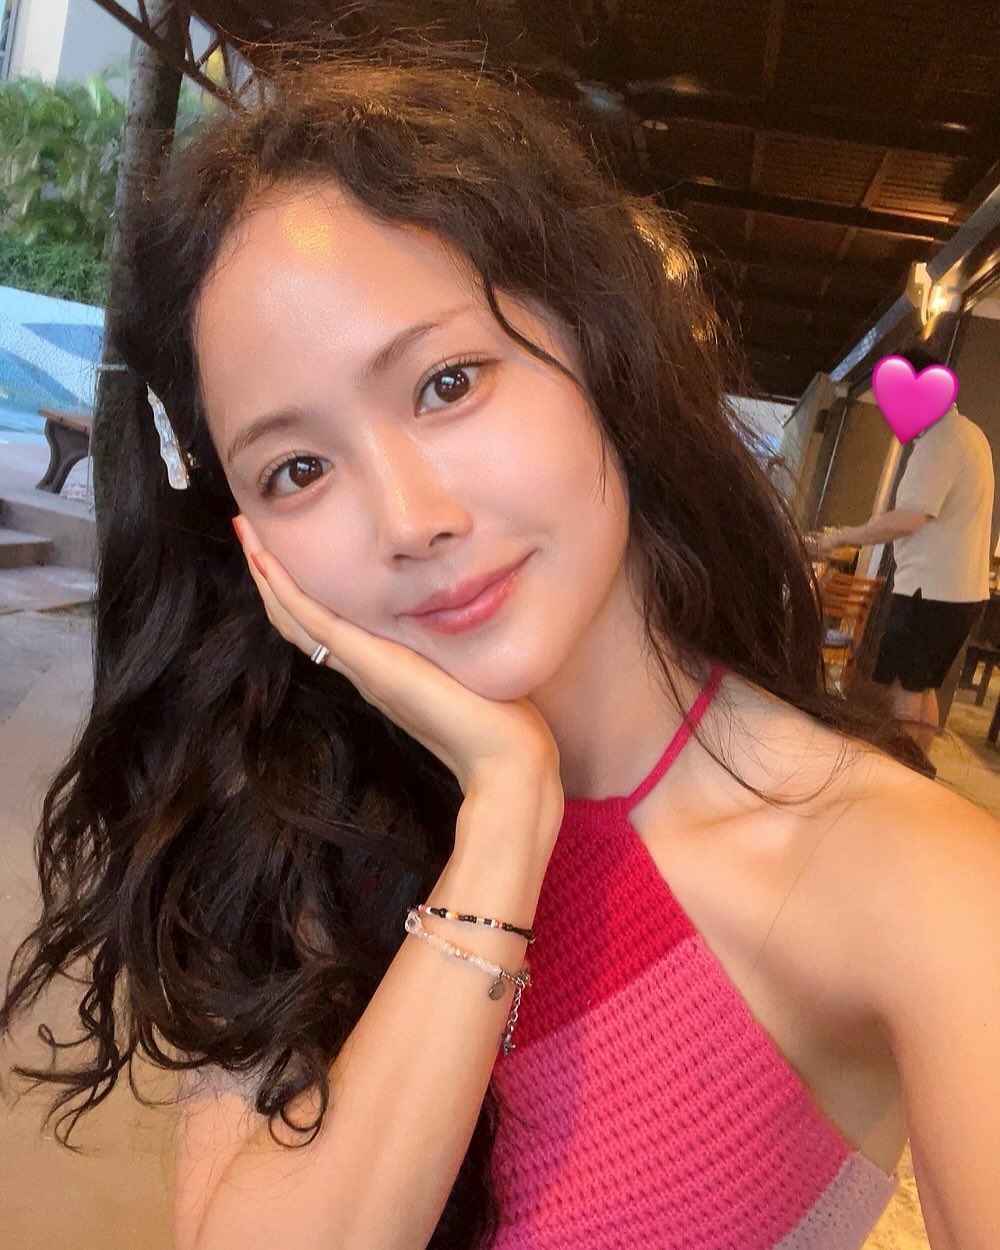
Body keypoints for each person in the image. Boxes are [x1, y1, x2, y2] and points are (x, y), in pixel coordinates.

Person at [2, 46, 998, 1250]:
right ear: (249, 538)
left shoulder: (913, 881)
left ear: (602, 350)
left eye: (446, 383)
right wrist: (505, 817)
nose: (409, 517)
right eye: (298, 467)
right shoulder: (289, 804)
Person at [817, 346, 995, 765]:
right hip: (962, 594)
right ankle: (917, 770)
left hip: (928, 592)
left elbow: (909, 519)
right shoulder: (971, 435)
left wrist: (841, 537)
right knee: (923, 687)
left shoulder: (938, 443)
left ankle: (899, 772)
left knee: (902, 689)